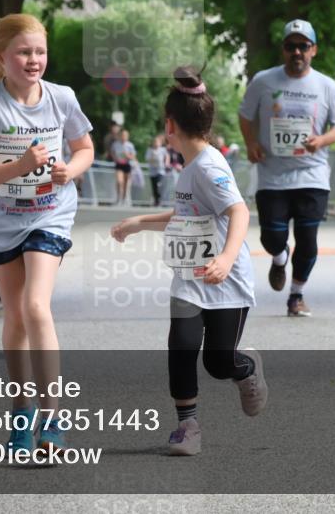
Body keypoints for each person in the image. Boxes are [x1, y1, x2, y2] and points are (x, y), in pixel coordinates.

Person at [111, 68, 266, 457]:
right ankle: (188, 427)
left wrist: (227, 259)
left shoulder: (210, 167)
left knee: (218, 362)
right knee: (180, 346)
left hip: (224, 280)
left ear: (170, 125)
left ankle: (245, 368)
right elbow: (184, 216)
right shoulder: (190, 168)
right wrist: (139, 223)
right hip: (190, 278)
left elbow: (240, 212)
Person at [0, 13, 94, 455]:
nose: (34, 59)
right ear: (1, 58)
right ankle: (21, 414)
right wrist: (19, 167)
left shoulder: (61, 98)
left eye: (39, 51)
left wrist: (68, 171)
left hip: (49, 216)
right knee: (15, 319)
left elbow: (85, 148)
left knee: (36, 306)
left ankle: (52, 419)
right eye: (23, 52)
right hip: (1, 223)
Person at [238, 19, 335, 317]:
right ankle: (279, 257)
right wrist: (251, 143)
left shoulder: (327, 86)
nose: (297, 52)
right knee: (271, 237)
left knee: (308, 238)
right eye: (291, 46)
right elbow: (246, 115)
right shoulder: (263, 81)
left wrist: (322, 140)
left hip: (312, 173)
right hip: (272, 173)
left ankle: (296, 296)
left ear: (313, 50)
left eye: (303, 46)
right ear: (283, 50)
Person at [111, 128, 137, 205]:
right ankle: (118, 198)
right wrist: (115, 158)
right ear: (119, 136)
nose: (123, 136)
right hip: (119, 164)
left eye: (125, 135)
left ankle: (124, 198)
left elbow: (133, 156)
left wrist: (127, 155)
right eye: (122, 135)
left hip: (127, 165)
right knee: (119, 181)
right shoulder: (115, 144)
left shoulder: (130, 145)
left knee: (126, 183)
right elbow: (112, 152)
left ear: (127, 136)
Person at [146, 134, 169, 206]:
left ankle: (160, 199)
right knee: (154, 187)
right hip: (152, 171)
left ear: (160, 143)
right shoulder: (150, 150)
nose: (156, 144)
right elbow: (148, 159)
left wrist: (166, 163)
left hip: (160, 171)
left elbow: (167, 156)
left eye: (157, 142)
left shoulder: (163, 150)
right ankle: (156, 200)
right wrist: (153, 157)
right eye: (155, 142)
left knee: (159, 184)